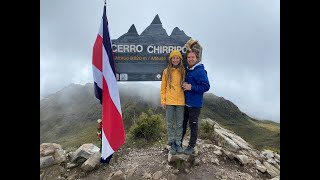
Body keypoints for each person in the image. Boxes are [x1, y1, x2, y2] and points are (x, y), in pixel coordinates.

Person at [181, 47, 210, 155]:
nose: (190, 59)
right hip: (186, 103)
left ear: (197, 58)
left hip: (195, 105)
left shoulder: (200, 71)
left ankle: (191, 146)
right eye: (188, 57)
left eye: (192, 57)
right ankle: (179, 143)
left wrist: (191, 87)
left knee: (193, 125)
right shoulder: (189, 69)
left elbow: (206, 87)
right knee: (183, 124)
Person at [160, 50, 186, 155]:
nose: (175, 60)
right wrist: (163, 100)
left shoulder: (184, 71)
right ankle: (172, 143)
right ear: (171, 59)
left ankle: (178, 143)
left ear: (180, 59)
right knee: (170, 123)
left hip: (181, 101)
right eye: (173, 58)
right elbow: (163, 88)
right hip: (169, 101)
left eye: (177, 58)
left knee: (180, 124)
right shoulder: (166, 71)